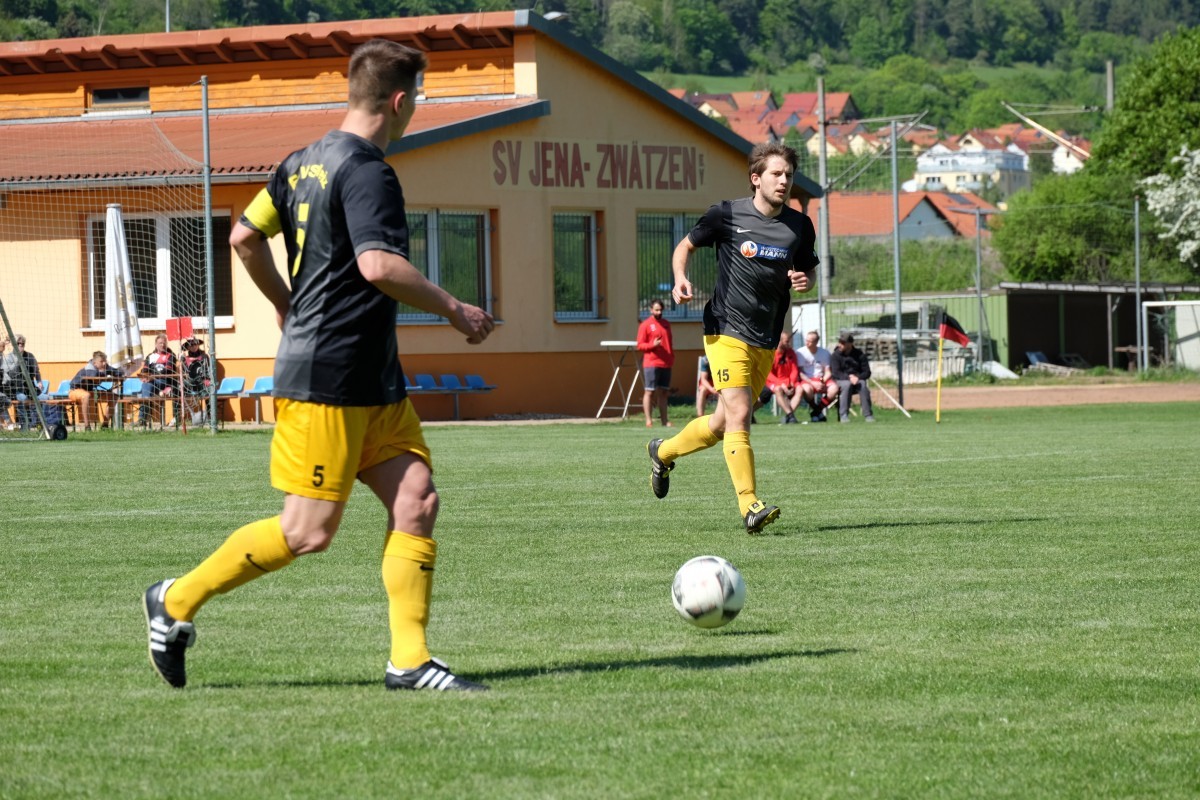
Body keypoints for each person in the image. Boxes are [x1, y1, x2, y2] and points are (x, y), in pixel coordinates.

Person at [143, 39, 494, 692]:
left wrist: (286, 303)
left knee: (416, 500)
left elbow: (244, 236)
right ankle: (175, 599)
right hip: (328, 379)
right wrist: (455, 309)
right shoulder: (368, 171)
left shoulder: (301, 163)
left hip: (372, 380)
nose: (414, 109)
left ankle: (410, 661)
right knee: (306, 532)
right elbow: (377, 265)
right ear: (398, 101)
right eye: (416, 98)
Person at [645, 141, 817, 534]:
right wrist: (680, 278)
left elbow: (806, 273)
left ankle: (663, 451)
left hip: (766, 337)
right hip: (725, 328)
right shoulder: (727, 214)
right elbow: (684, 247)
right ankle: (749, 505)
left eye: (788, 175)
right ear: (756, 179)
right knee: (741, 414)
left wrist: (806, 281)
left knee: (724, 423)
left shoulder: (799, 226)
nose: (784, 181)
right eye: (776, 174)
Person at [637, 298, 674, 428]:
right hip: (652, 363)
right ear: (651, 310)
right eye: (656, 310)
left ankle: (665, 421)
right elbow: (640, 345)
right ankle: (649, 420)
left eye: (660, 310)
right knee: (650, 392)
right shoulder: (645, 325)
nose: (659, 312)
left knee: (663, 392)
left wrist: (671, 357)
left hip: (666, 363)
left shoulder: (666, 324)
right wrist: (652, 345)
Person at [68, 351, 122, 429]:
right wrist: (106, 372)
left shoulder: (104, 367)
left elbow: (119, 372)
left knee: (114, 397)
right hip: (75, 390)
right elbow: (95, 377)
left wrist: (117, 373)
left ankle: (105, 426)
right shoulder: (89, 367)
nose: (104, 363)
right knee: (86, 395)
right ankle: (87, 426)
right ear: (94, 363)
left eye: (105, 361)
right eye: (101, 361)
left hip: (90, 391)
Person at [756, 329, 801, 424]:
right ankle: (790, 416)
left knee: (800, 388)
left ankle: (789, 415)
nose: (789, 343)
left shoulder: (791, 352)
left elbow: (794, 369)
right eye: (786, 341)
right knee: (775, 391)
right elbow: (768, 374)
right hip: (772, 382)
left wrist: (792, 383)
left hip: (787, 382)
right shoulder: (771, 353)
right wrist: (782, 384)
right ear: (779, 341)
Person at [9, 335, 53, 430]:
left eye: (22, 344)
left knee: (47, 398)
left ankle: (44, 424)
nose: (21, 345)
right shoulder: (9, 358)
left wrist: (39, 382)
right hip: (17, 390)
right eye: (18, 343)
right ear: (13, 344)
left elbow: (36, 371)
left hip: (32, 390)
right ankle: (24, 426)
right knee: (23, 398)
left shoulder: (30, 356)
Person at [795, 329, 838, 423]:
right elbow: (800, 372)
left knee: (834, 389)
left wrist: (822, 381)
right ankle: (818, 412)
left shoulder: (824, 353)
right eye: (806, 340)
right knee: (806, 389)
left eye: (810, 341)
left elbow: (828, 371)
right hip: (807, 380)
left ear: (816, 342)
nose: (807, 343)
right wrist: (812, 383)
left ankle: (816, 411)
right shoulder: (800, 352)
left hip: (822, 379)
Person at [830, 334, 875, 422]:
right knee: (847, 385)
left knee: (863, 385)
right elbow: (836, 372)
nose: (840, 344)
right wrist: (849, 377)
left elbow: (867, 372)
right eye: (839, 342)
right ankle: (844, 415)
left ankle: (868, 415)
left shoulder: (859, 354)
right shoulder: (835, 355)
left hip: (857, 379)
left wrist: (857, 377)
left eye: (843, 343)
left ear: (850, 344)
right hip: (841, 380)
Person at [137, 334, 178, 426]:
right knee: (145, 386)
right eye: (160, 343)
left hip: (165, 382)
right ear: (156, 344)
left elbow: (167, 370)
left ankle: (144, 416)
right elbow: (145, 369)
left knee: (148, 385)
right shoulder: (150, 356)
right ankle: (142, 419)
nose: (162, 345)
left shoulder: (170, 355)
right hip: (152, 383)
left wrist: (152, 377)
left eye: (164, 343)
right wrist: (143, 376)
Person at [179, 337, 212, 425]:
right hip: (190, 383)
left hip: (202, 381)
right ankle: (178, 417)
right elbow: (183, 373)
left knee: (209, 390)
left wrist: (206, 379)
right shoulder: (184, 358)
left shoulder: (204, 357)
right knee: (178, 388)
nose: (193, 346)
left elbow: (208, 370)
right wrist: (181, 360)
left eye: (195, 344)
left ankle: (210, 416)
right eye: (191, 345)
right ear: (188, 347)